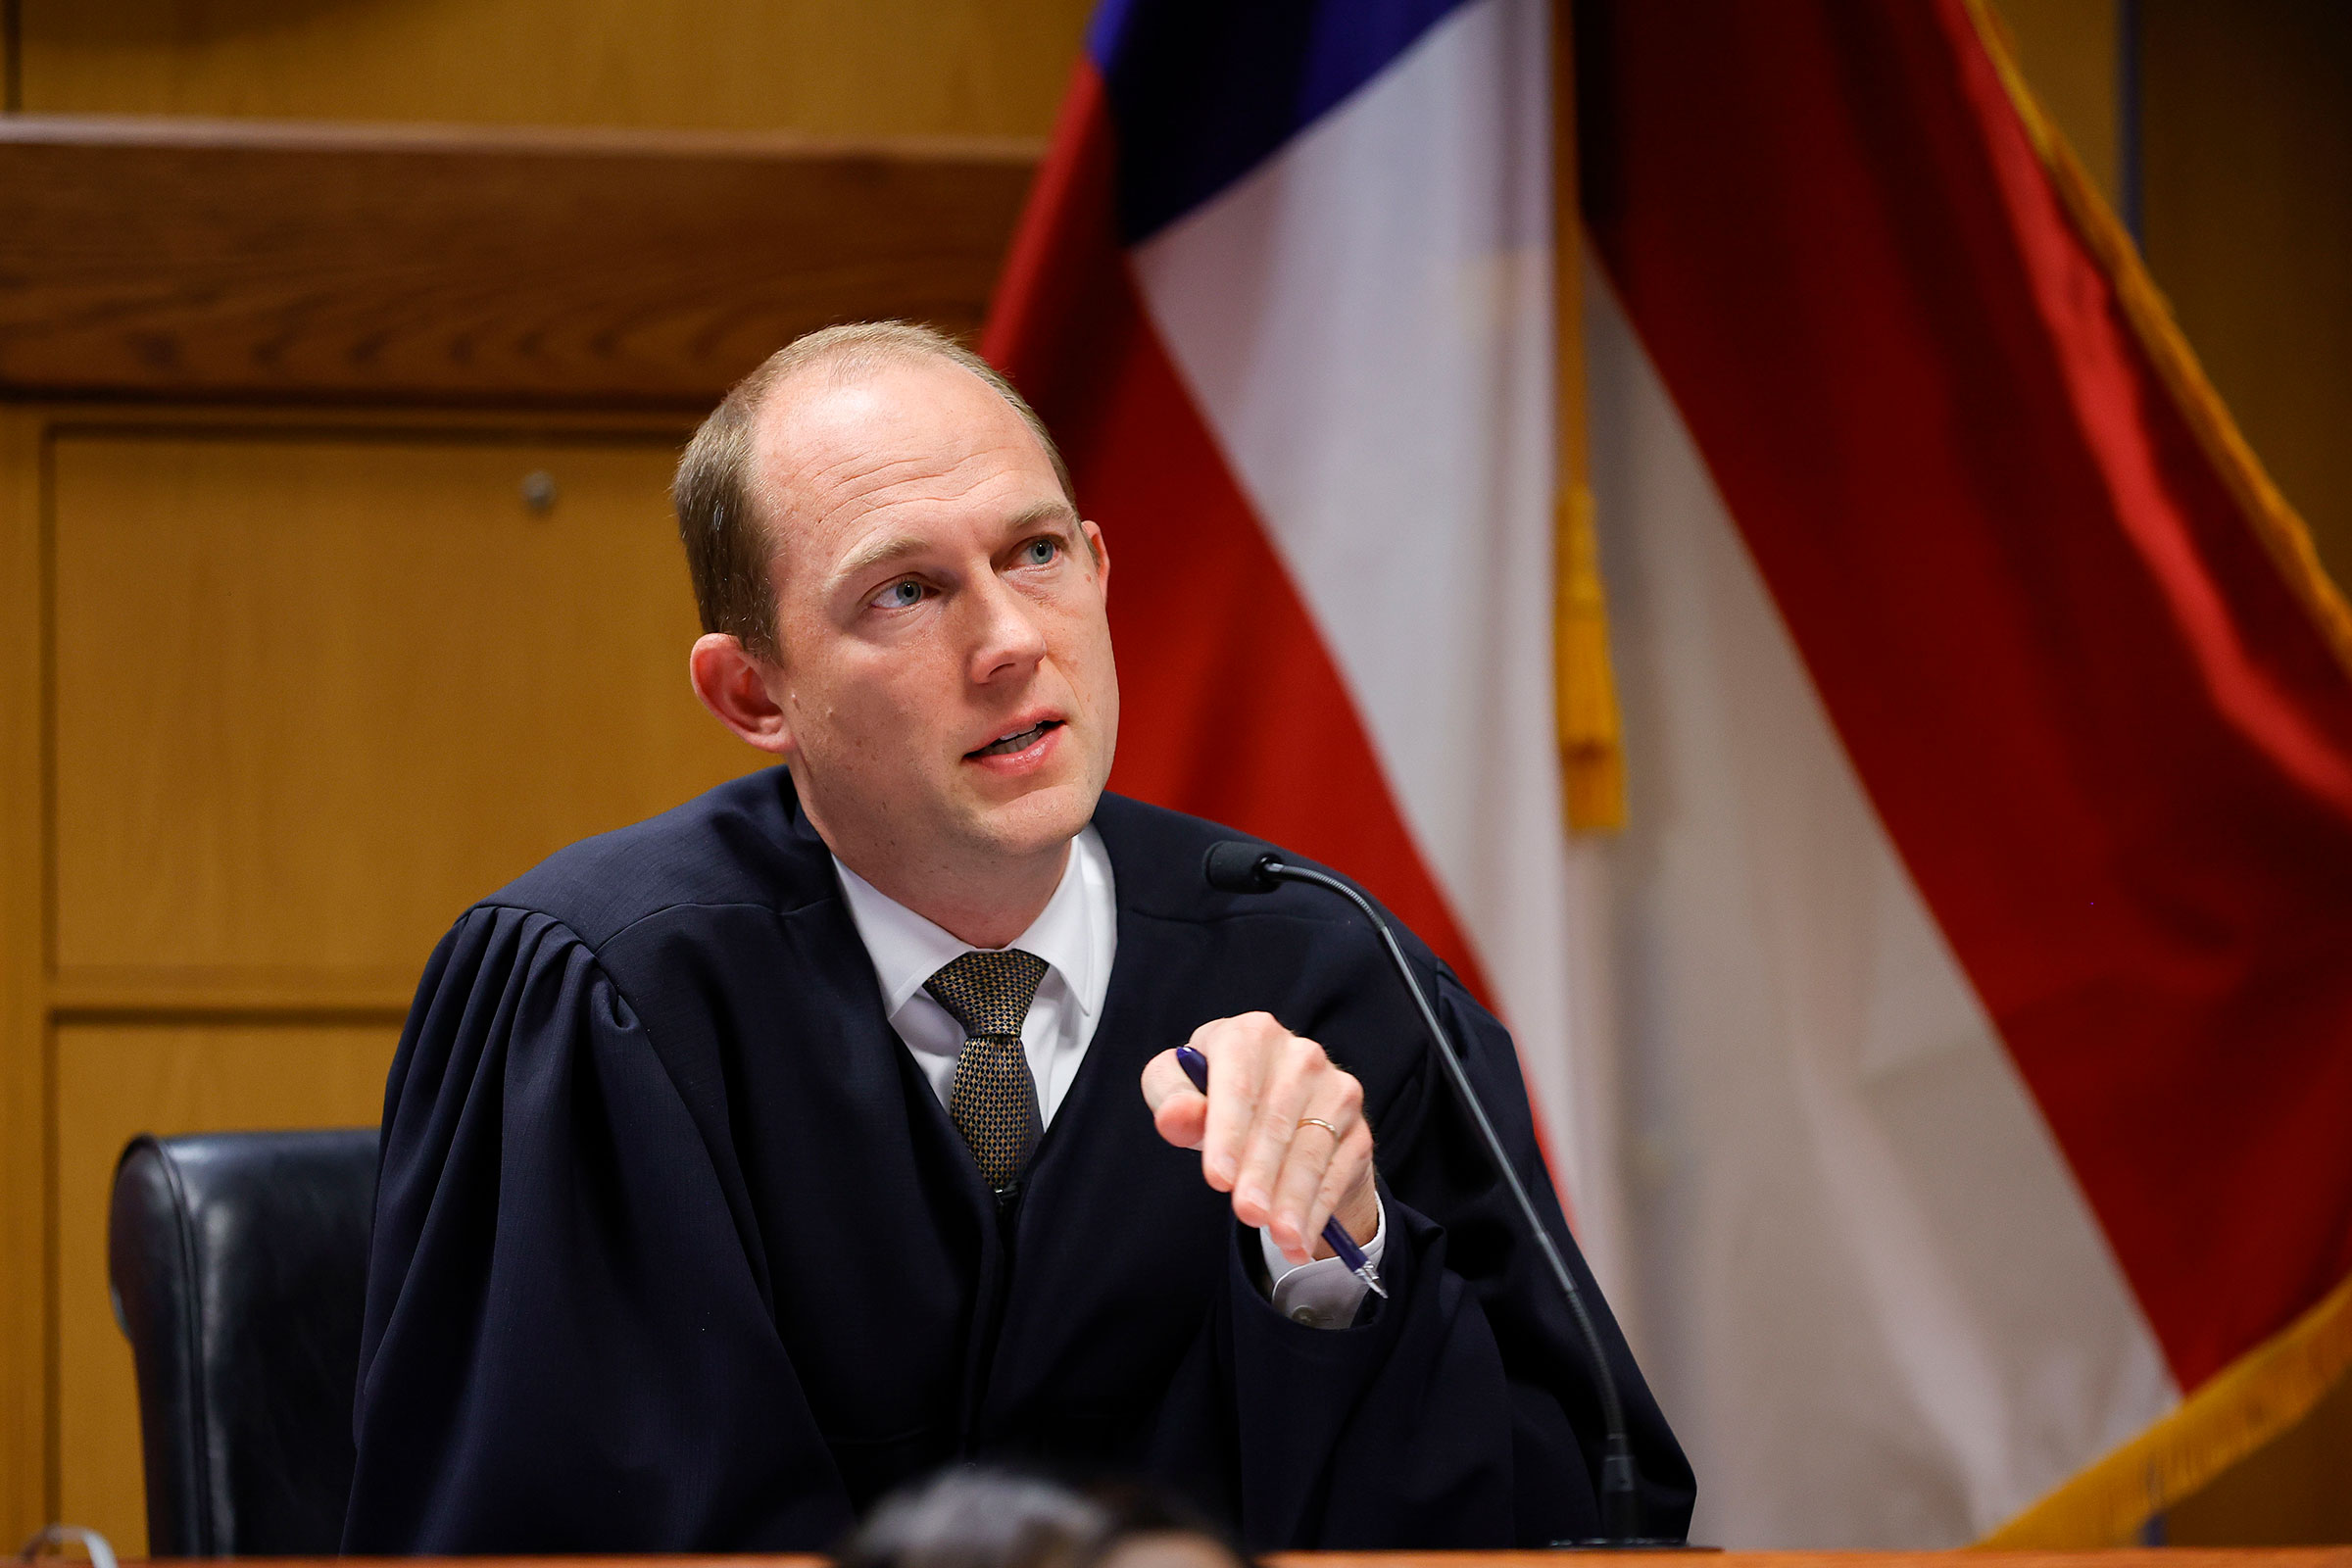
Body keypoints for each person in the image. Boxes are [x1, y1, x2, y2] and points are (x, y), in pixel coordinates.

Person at [341, 322, 1692, 1553]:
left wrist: (1334, 1265)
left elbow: (1576, 1523)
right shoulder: (598, 993)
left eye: (1035, 554)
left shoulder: (1333, 976)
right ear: (754, 690)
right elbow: (529, 1536)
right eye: (905, 594)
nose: (1006, 644)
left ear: (1099, 572)